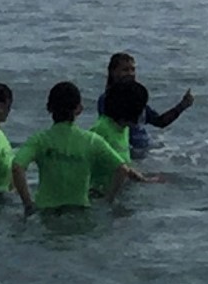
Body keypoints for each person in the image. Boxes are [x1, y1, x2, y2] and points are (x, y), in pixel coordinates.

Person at [12, 80, 144, 213]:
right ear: (79, 109)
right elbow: (122, 169)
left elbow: (17, 167)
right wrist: (108, 200)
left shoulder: (39, 140)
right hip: (80, 210)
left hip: (46, 210)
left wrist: (27, 203)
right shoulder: (91, 140)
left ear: (49, 108)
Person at [97, 52, 193, 160]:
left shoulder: (136, 99)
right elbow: (110, 131)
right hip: (125, 151)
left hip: (144, 150)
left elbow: (160, 122)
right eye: (125, 70)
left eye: (133, 70)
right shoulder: (107, 100)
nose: (130, 73)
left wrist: (182, 105)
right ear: (113, 72)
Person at [88, 79, 167, 197]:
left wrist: (145, 180)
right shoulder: (101, 130)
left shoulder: (124, 128)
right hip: (99, 193)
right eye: (141, 108)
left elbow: (122, 164)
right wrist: (108, 199)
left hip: (117, 190)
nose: (143, 113)